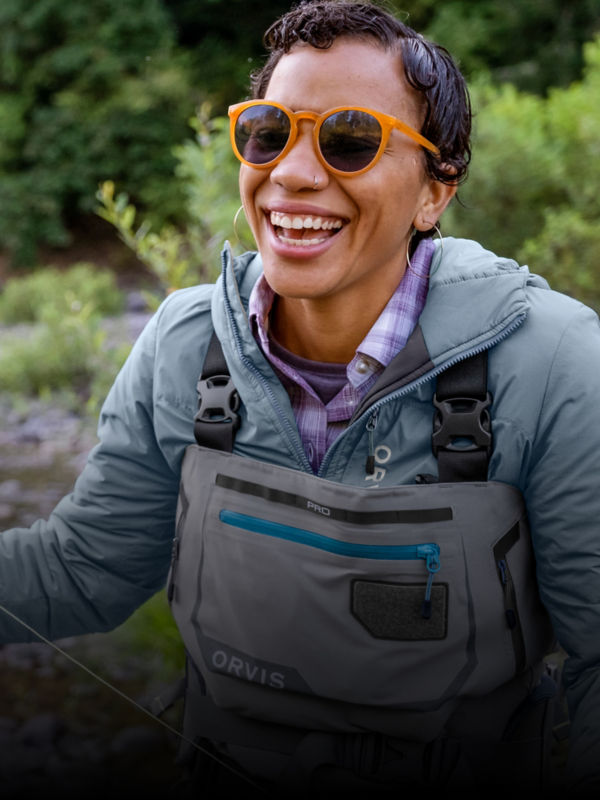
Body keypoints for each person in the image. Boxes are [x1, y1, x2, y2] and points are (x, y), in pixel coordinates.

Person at [1, 0, 599, 796]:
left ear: (436, 191)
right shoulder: (184, 343)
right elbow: (82, 573)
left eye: (351, 141)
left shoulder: (554, 361)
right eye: (268, 133)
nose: (292, 172)